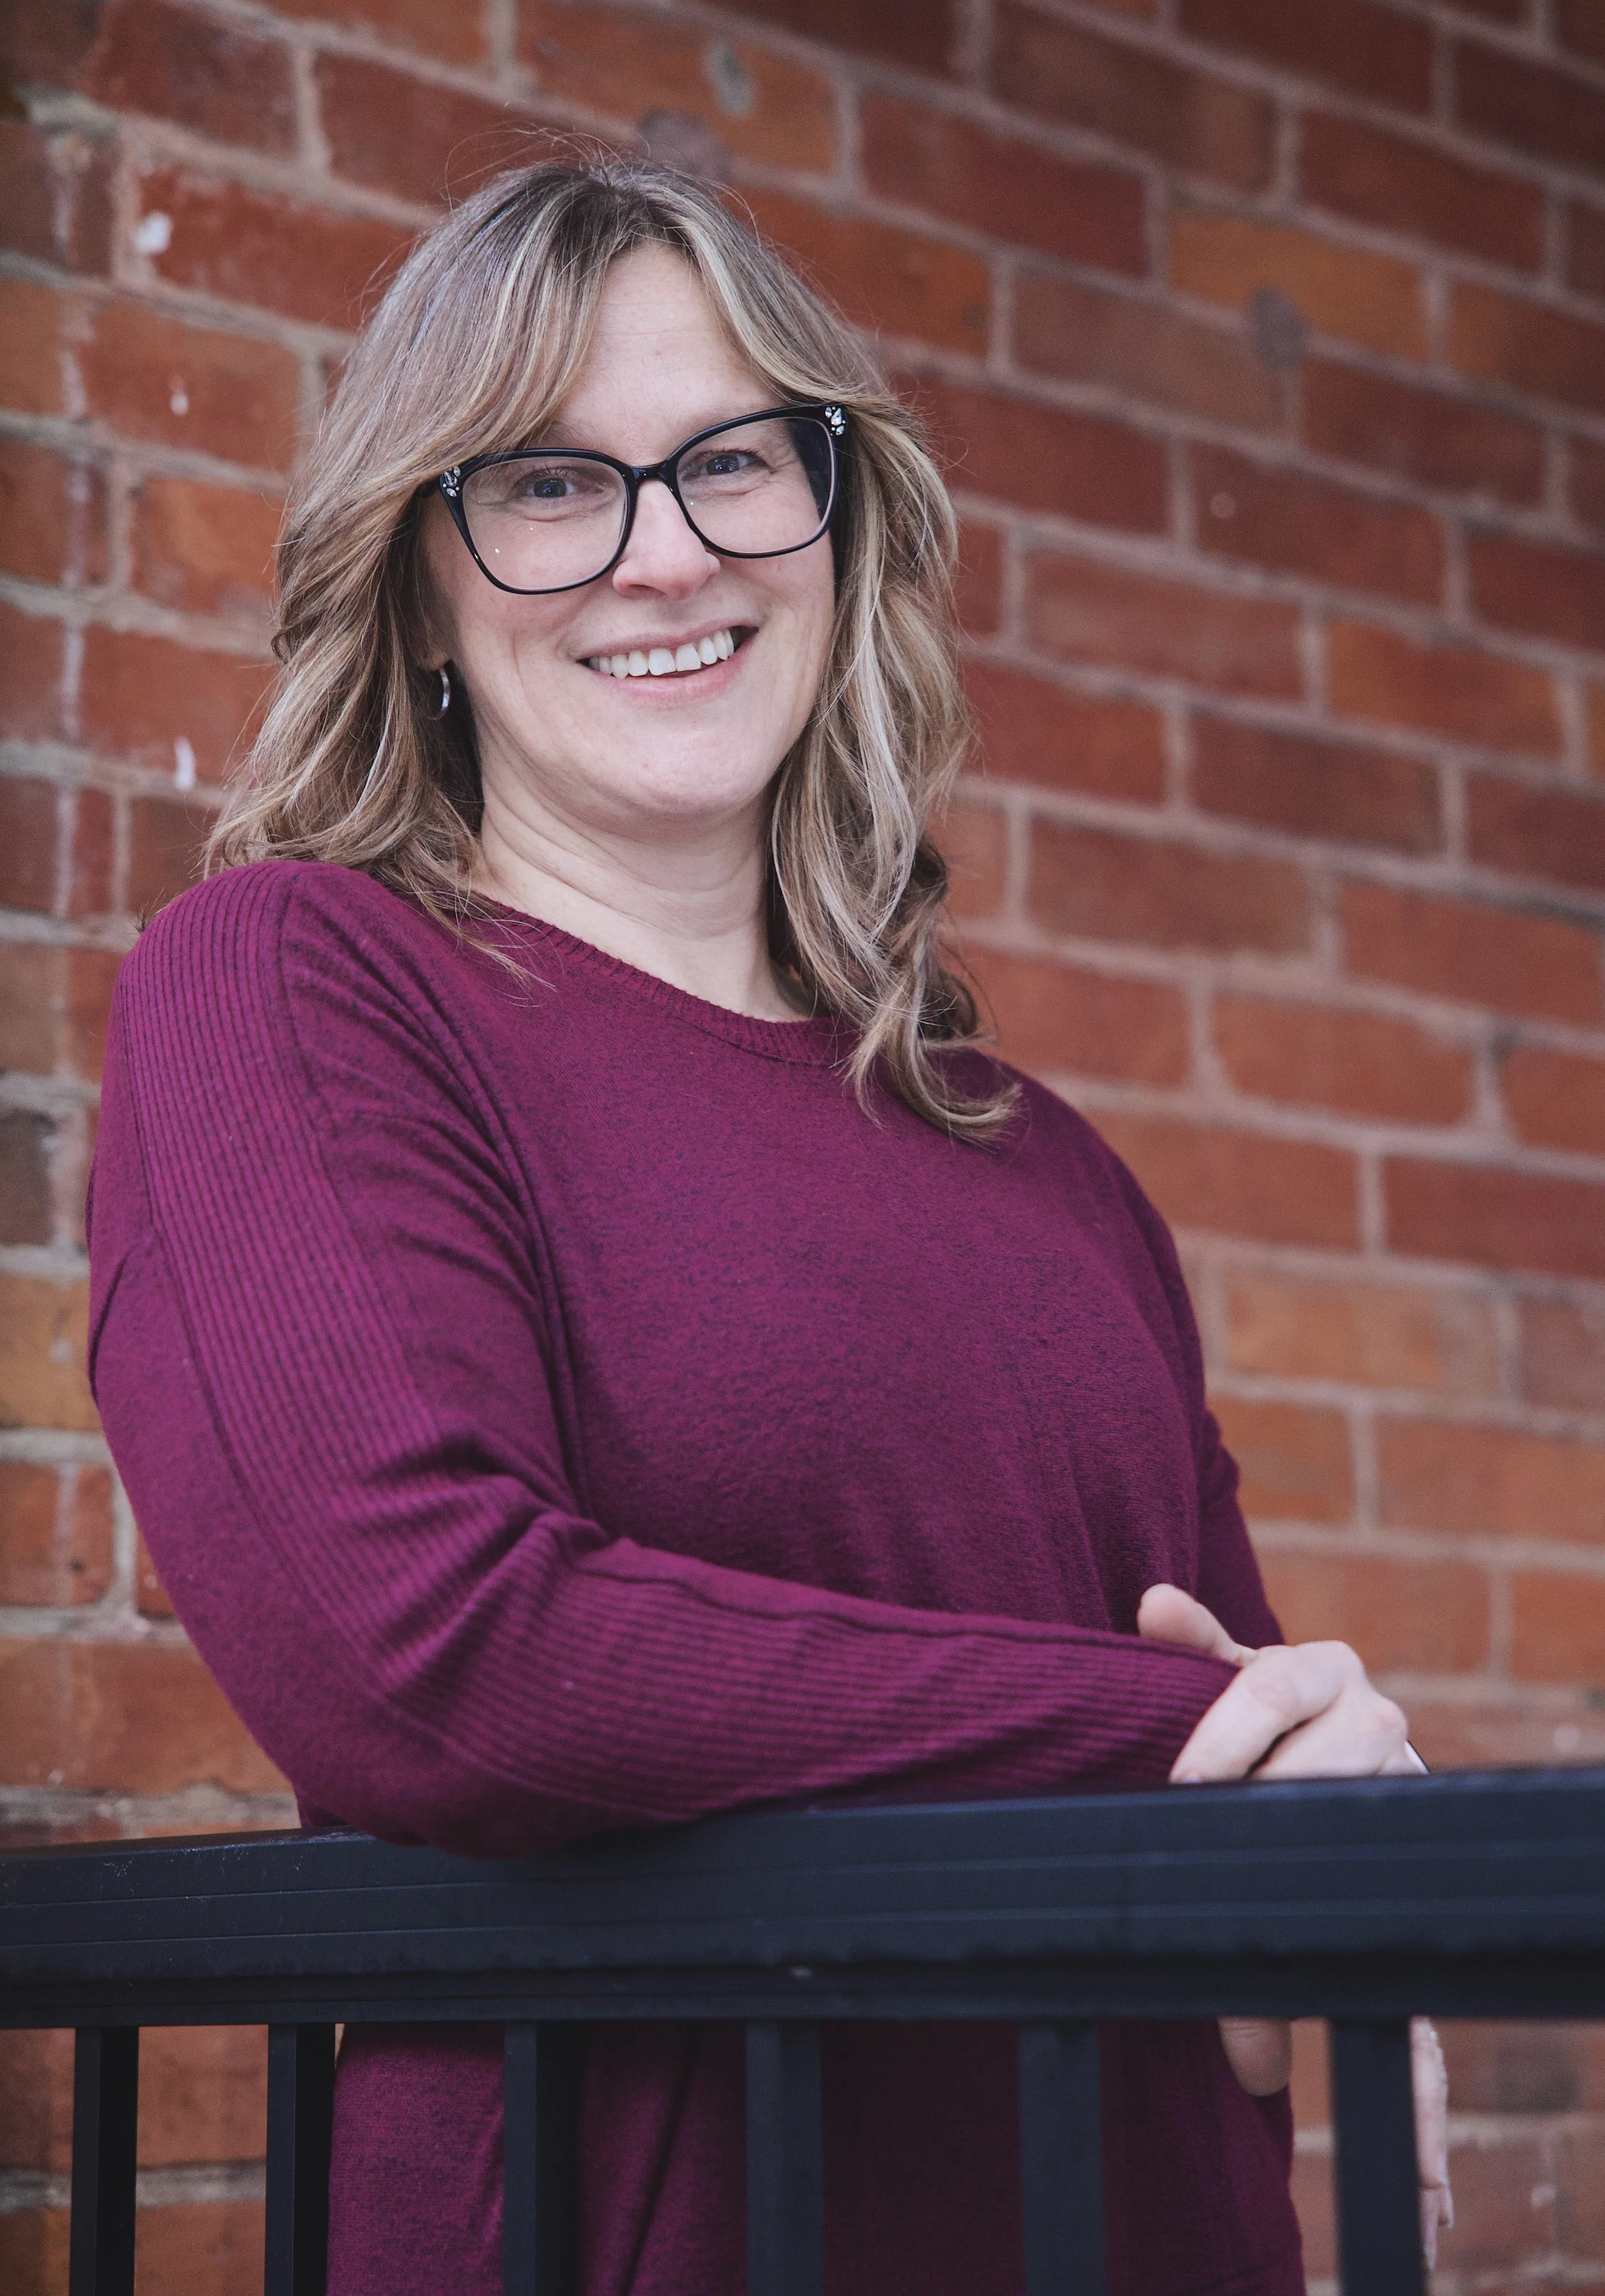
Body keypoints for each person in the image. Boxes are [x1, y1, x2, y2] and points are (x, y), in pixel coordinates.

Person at [86, 154, 1447, 2296]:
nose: (665, 553)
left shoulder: (1045, 1159)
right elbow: (425, 1653)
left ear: (840, 518)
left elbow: (1246, 1817)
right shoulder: (297, 983)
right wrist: (1151, 1747)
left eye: (735, 460)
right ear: (420, 574)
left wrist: (1342, 1861)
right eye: (547, 483)